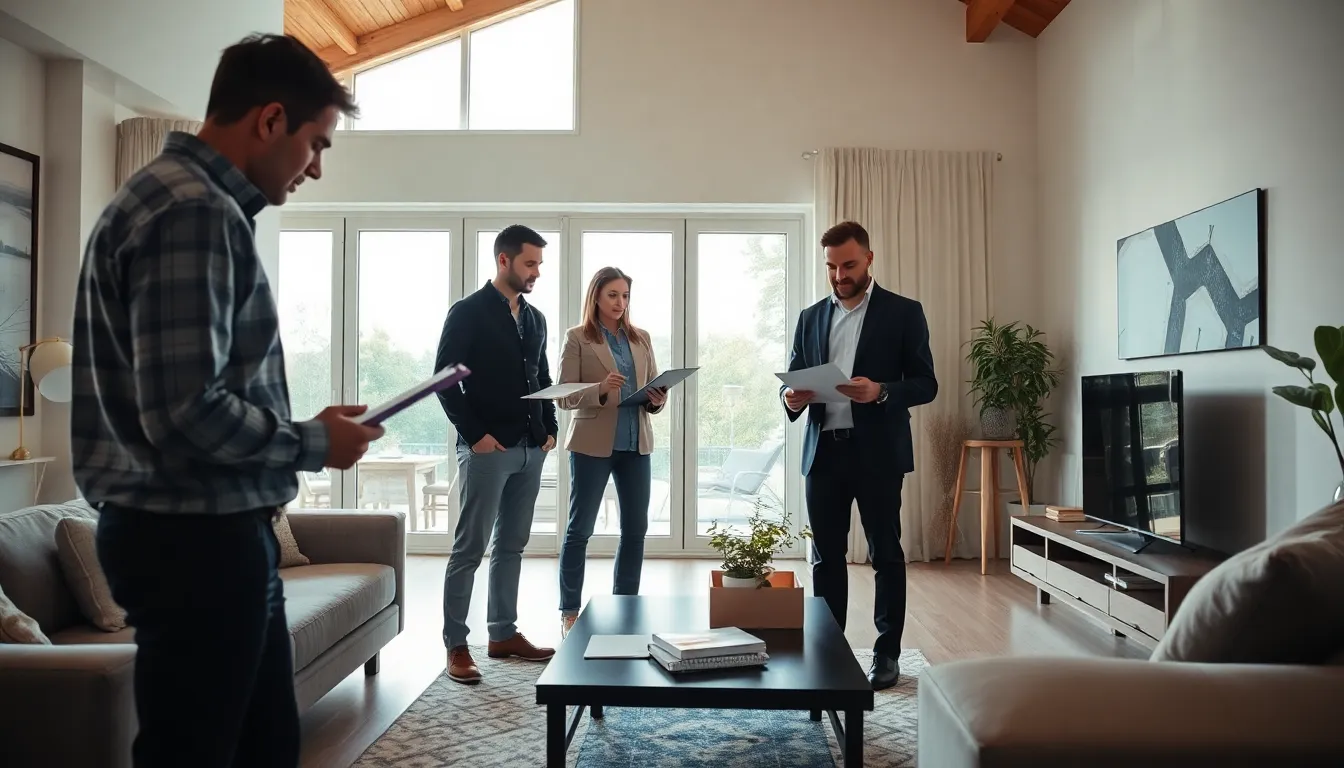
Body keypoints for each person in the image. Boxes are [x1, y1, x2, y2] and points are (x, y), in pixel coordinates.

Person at [70, 34, 378, 768]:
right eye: (317, 144)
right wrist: (311, 443)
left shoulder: (178, 199)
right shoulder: (193, 211)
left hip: (200, 538)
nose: (316, 168)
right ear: (271, 120)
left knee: (259, 746)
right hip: (193, 543)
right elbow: (183, 412)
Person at [779, 220, 937, 691]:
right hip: (823, 452)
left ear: (868, 259)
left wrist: (882, 390)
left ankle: (886, 653)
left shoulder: (904, 312)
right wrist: (791, 400)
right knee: (825, 559)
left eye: (848, 264)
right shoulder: (810, 317)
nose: (839, 275)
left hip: (879, 455)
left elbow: (927, 384)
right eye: (831, 266)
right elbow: (794, 379)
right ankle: (830, 651)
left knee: (885, 553)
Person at [435, 224, 559, 684]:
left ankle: (503, 633)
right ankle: (456, 646)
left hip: (531, 448)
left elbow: (541, 376)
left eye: (540, 265)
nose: (537, 273)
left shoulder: (536, 318)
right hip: (487, 449)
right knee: (469, 548)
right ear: (503, 260)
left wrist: (549, 429)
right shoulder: (467, 312)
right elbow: (445, 380)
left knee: (512, 546)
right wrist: (476, 435)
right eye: (530, 263)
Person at [554, 267, 668, 637]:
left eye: (625, 296)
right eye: (613, 295)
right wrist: (601, 388)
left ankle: (625, 605)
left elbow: (650, 389)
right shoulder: (577, 339)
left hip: (636, 444)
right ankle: (570, 611)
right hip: (592, 444)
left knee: (635, 529)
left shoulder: (641, 338)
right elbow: (565, 396)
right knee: (580, 529)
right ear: (596, 297)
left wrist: (657, 399)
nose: (620, 303)